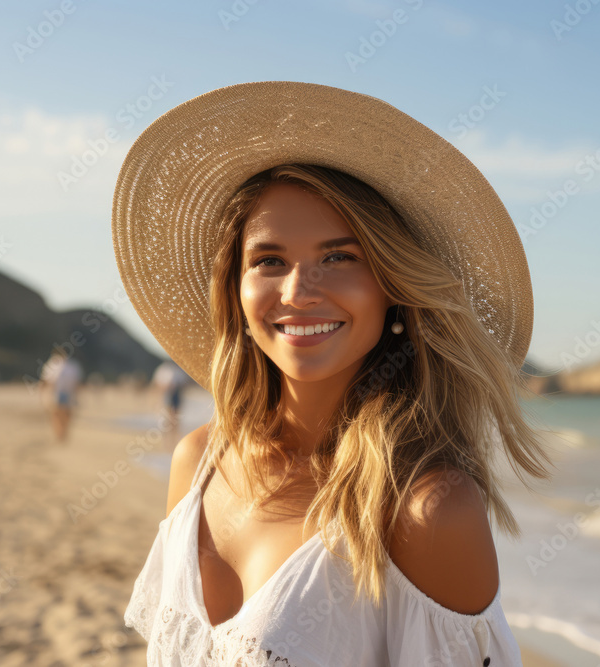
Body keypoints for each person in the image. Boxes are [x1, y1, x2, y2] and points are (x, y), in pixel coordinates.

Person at [112, 82, 554, 665]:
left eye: (339, 257)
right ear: (235, 291)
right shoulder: (196, 464)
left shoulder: (427, 513)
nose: (298, 292)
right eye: (269, 260)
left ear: (394, 289)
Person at [39, 351, 83, 443]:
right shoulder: (73, 366)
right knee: (65, 414)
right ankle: (62, 433)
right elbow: (77, 383)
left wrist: (43, 394)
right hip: (68, 393)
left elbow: (47, 381)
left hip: (57, 393)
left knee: (57, 414)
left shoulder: (52, 365)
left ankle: (60, 434)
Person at [151, 360, 191, 450]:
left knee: (174, 420)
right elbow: (158, 383)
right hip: (170, 394)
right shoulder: (165, 369)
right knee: (169, 420)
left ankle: (172, 442)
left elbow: (184, 383)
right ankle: (168, 442)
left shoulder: (175, 369)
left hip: (175, 395)